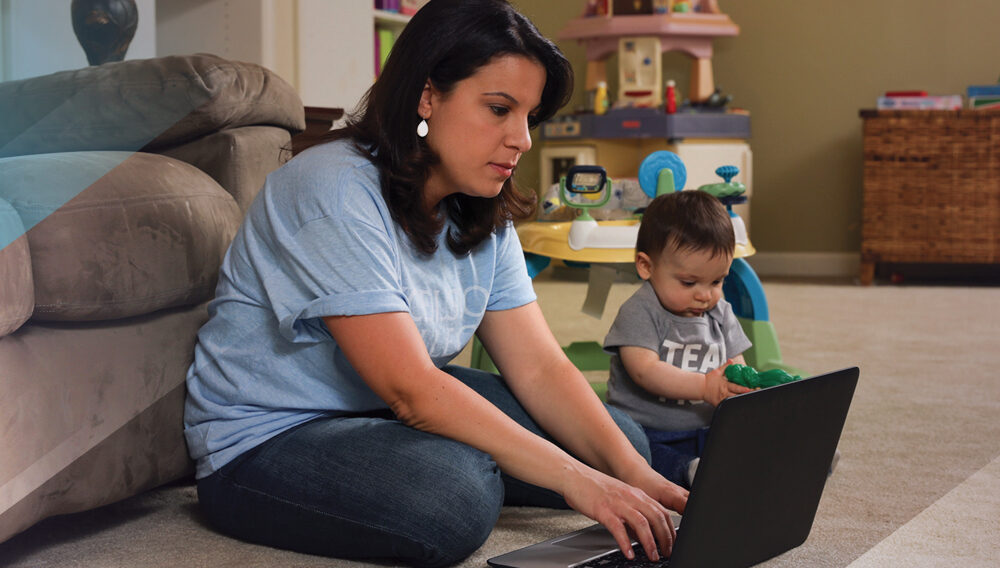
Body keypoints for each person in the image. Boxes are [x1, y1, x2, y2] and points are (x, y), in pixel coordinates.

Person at [183, 1, 688, 566]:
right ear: (428, 96)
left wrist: (635, 478)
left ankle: (463, 461)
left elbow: (542, 369)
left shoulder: (480, 203)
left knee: (626, 445)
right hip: (267, 441)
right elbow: (412, 391)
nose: (521, 139)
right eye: (499, 109)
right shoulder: (334, 190)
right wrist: (576, 480)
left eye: (529, 116)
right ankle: (450, 467)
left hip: (378, 407)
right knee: (458, 496)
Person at [603, 190, 753, 489]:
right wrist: (704, 386)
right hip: (650, 429)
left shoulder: (720, 312)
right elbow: (644, 371)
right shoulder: (640, 310)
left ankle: (792, 457)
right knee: (634, 455)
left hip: (710, 426)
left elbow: (735, 364)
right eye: (689, 282)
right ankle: (688, 472)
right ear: (646, 266)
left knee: (747, 437)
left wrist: (741, 385)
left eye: (717, 281)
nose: (705, 294)